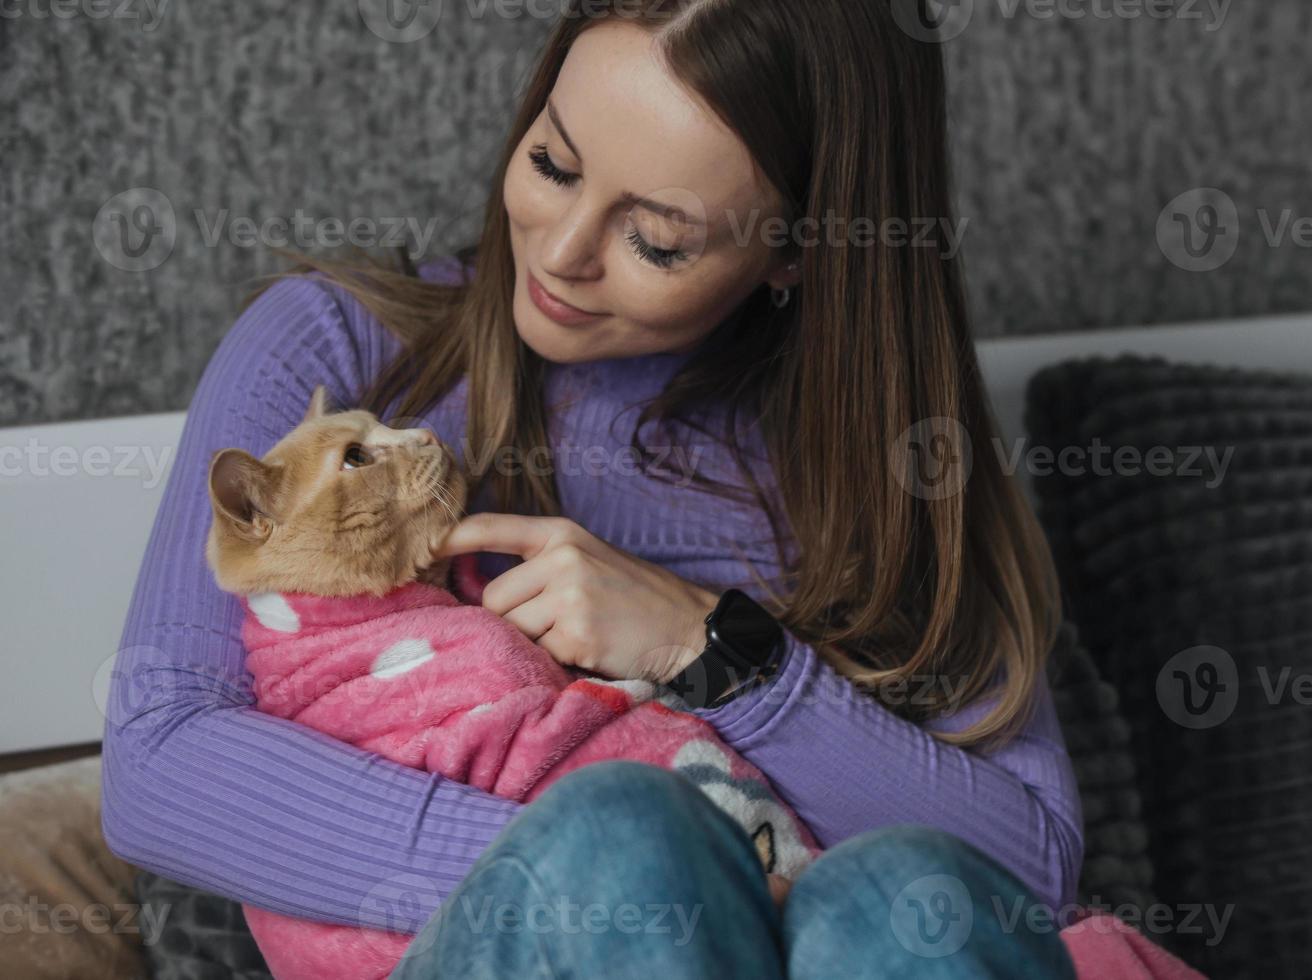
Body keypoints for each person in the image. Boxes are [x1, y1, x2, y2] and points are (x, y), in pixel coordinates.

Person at [103, 1, 1082, 975]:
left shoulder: (897, 460)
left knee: (893, 899)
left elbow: (1032, 878)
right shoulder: (342, 354)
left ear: (798, 248)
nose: (561, 252)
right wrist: (675, 879)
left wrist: (713, 651)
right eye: (552, 164)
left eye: (658, 239)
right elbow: (158, 767)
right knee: (627, 830)